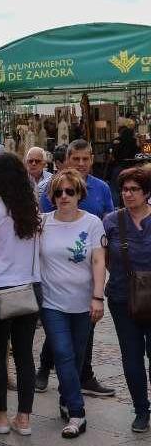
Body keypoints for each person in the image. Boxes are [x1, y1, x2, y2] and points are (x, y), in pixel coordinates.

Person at [37, 140, 115, 397]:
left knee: (81, 338)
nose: (81, 164)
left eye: (86, 159)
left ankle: (82, 376)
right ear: (68, 159)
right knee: (60, 339)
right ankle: (48, 369)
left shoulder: (102, 188)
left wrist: (100, 281)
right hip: (56, 276)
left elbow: (109, 223)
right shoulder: (55, 188)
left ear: (92, 160)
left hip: (87, 273)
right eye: (76, 159)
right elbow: (44, 225)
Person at [0, 153, 42, 436]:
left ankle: (0, 415)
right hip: (29, 288)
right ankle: (24, 418)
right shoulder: (32, 209)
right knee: (25, 355)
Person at [37, 169, 106, 438]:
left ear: (80, 194)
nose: (64, 196)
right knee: (63, 354)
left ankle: (67, 397)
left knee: (76, 358)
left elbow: (99, 260)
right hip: (52, 303)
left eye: (70, 191)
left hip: (83, 303)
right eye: (58, 192)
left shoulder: (92, 223)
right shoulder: (42, 223)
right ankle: (78, 413)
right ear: (52, 196)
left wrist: (98, 296)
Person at [103, 167, 151, 433]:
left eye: (134, 189)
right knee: (131, 357)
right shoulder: (111, 221)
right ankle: (141, 410)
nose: (128, 194)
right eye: (124, 189)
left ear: (146, 193)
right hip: (122, 298)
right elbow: (104, 258)